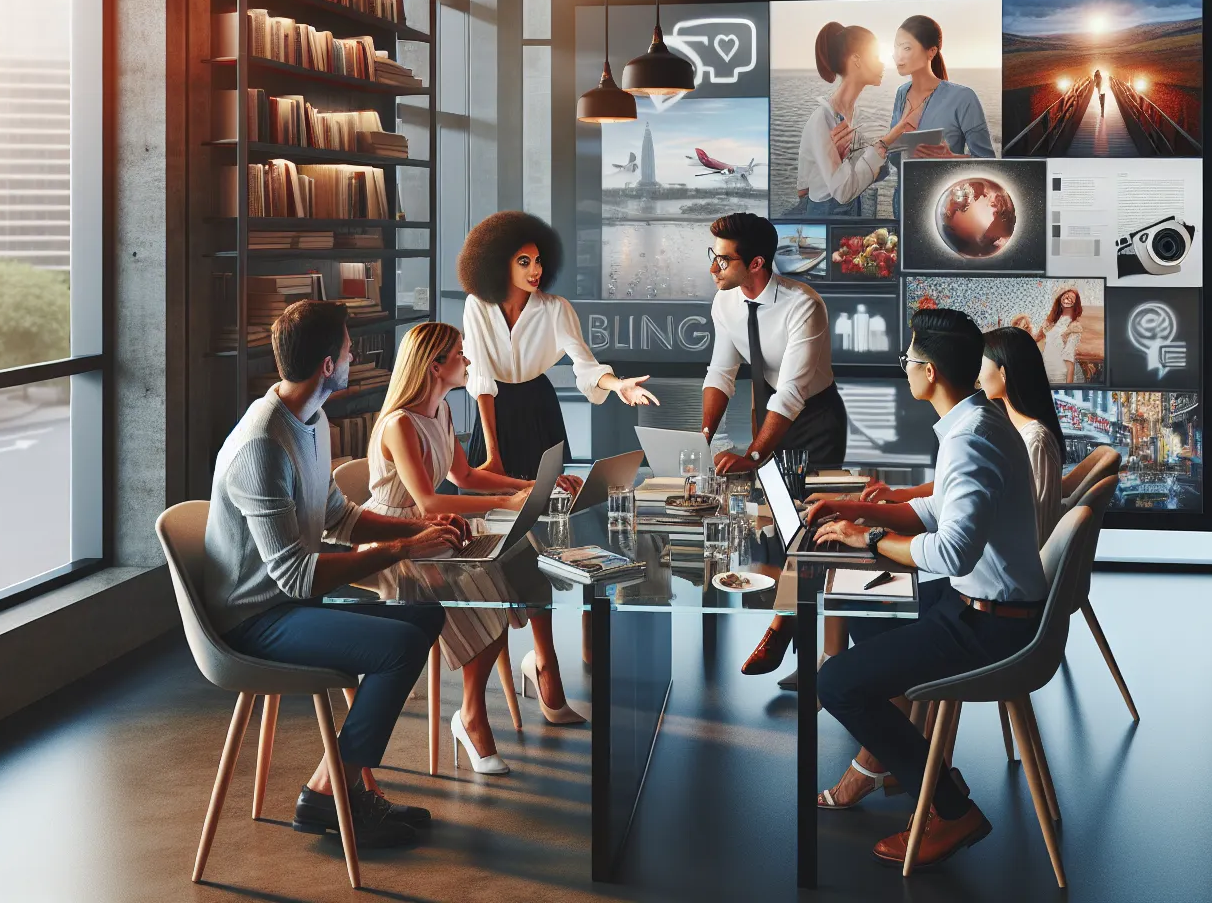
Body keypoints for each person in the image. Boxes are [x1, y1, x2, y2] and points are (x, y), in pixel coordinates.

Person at [206, 299, 468, 849]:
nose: (356, 353)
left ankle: (338, 787)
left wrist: (419, 527)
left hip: (285, 603)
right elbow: (298, 577)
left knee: (424, 616)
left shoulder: (311, 419)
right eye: (349, 347)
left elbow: (340, 518)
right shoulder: (263, 445)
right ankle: (330, 795)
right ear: (329, 365)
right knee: (398, 646)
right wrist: (404, 550)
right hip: (254, 620)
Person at [807, 308, 1048, 870]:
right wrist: (852, 508)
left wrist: (867, 539)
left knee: (837, 683)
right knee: (867, 614)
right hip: (980, 603)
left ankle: (950, 805)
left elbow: (951, 551)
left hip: (991, 624)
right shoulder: (976, 423)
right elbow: (937, 509)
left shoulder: (972, 440)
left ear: (931, 372)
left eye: (908, 361)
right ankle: (897, 758)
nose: (906, 369)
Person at [362, 322, 585, 777]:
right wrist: (504, 502)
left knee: (520, 554)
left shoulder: (441, 410)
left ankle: (518, 677)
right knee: (484, 587)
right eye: (460, 355)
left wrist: (530, 485)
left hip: (436, 527)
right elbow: (425, 501)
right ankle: (471, 714)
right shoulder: (400, 424)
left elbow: (465, 477)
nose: (468, 361)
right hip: (397, 537)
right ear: (435, 365)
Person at [701, 212, 849, 679]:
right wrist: (703, 437)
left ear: (758, 262)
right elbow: (721, 374)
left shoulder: (803, 305)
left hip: (815, 422)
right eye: (714, 257)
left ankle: (783, 631)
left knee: (806, 535)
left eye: (723, 260)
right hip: (769, 420)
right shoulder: (725, 303)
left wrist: (753, 455)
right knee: (780, 532)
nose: (714, 269)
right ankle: (801, 646)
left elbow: (791, 393)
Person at [460, 209, 658, 481]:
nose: (536, 270)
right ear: (499, 263)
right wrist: (493, 454)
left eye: (538, 260)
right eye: (524, 262)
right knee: (493, 499)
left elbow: (586, 367)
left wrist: (618, 385)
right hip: (493, 410)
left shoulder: (556, 309)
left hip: (538, 407)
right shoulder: (477, 305)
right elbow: (481, 377)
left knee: (547, 496)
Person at [862, 326, 1064, 548]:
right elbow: (961, 485)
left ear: (1003, 373)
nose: (975, 374)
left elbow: (1036, 529)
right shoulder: (1004, 427)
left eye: (981, 363)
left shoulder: (1034, 440)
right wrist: (901, 496)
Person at [787, 22, 928, 216]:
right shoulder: (822, 119)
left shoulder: (858, 116)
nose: (882, 63)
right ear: (857, 60)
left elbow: (872, 174)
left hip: (855, 208)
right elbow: (835, 191)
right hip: (826, 214)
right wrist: (885, 142)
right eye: (876, 56)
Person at [888, 15, 996, 219]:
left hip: (943, 211)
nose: (898, 56)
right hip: (901, 205)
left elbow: (988, 163)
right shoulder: (901, 94)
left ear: (932, 51)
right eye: (896, 48)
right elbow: (895, 156)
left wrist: (951, 159)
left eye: (907, 48)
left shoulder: (963, 97)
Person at [1037, 287, 1085, 384]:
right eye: (1066, 295)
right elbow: (1043, 345)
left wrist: (1068, 386)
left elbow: (1069, 357)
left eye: (1072, 298)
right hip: (1047, 373)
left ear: (1075, 304)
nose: (1068, 298)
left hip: (1060, 375)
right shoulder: (1052, 322)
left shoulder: (1074, 326)